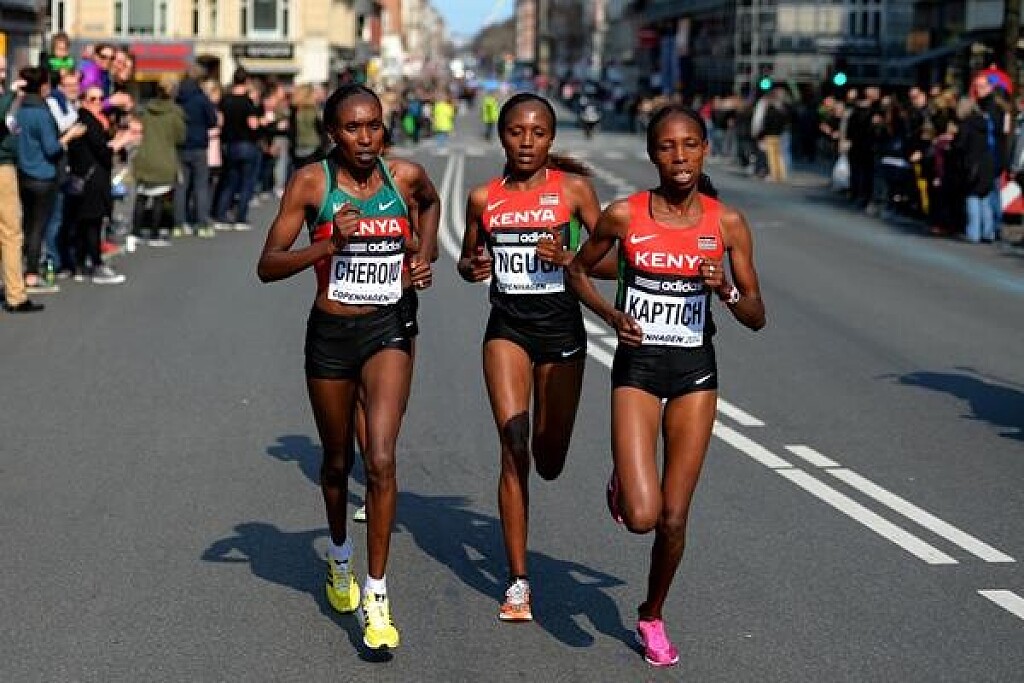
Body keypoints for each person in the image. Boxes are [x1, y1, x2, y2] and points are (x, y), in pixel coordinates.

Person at [566, 104, 766, 667]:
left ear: (705, 150)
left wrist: (726, 290)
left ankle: (651, 615)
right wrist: (611, 316)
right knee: (642, 516)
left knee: (674, 517)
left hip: (694, 372)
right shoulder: (624, 215)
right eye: (667, 147)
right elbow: (578, 269)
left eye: (690, 145)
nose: (679, 157)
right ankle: (625, 482)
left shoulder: (726, 224)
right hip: (637, 368)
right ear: (652, 154)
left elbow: (756, 315)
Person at [256, 84, 440, 651]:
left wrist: (422, 256)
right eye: (353, 128)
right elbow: (267, 265)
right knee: (337, 463)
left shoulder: (404, 177)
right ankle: (339, 555)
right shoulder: (312, 183)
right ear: (333, 133)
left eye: (374, 126)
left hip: (388, 326)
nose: (365, 138)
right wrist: (328, 244)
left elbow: (431, 202)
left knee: (380, 458)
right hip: (331, 334)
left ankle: (377, 595)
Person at [457, 93, 603, 622]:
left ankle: (576, 465)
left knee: (550, 459)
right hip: (508, 329)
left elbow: (613, 262)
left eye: (537, 133)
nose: (526, 142)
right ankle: (518, 581)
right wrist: (472, 267)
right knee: (513, 444)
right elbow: (468, 260)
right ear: (502, 136)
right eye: (516, 132)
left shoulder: (574, 192)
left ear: (551, 139)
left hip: (562, 330)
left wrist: (569, 258)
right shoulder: (483, 197)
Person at [15, 66, 85, 291]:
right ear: (43, 86)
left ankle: (21, 268)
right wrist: (69, 136)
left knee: (26, 224)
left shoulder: (20, 111)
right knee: (39, 226)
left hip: (23, 173)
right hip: (43, 175)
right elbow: (52, 148)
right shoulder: (42, 113)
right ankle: (32, 273)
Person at [66, 84, 134, 283]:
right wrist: (118, 144)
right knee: (92, 223)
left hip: (86, 177)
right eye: (92, 99)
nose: (97, 103)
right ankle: (96, 264)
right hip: (93, 180)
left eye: (100, 99)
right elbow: (101, 151)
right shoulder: (89, 122)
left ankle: (80, 265)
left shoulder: (85, 121)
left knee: (84, 223)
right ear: (83, 101)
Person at [132, 74, 185, 247]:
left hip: (145, 155)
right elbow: (180, 136)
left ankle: (135, 231)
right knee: (159, 199)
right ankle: (154, 233)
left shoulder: (146, 109)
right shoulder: (175, 112)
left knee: (141, 196)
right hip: (164, 157)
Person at [174, 65, 219, 238]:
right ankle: (202, 223)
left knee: (181, 186)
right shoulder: (201, 98)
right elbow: (212, 120)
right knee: (201, 186)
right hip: (199, 145)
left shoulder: (178, 96)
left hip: (180, 144)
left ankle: (179, 223)